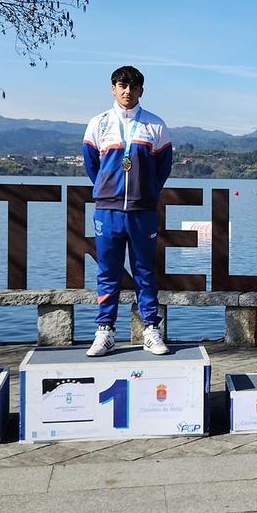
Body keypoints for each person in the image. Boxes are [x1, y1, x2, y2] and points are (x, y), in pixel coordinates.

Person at [82, 65, 174, 357]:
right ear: (113, 89)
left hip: (142, 211)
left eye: (133, 86)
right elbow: (91, 165)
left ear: (141, 91)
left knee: (144, 271)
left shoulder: (155, 125)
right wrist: (106, 188)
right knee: (107, 272)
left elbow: (163, 168)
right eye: (122, 86)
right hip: (107, 210)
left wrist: (146, 192)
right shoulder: (98, 123)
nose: (127, 91)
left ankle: (151, 329)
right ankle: (105, 331)